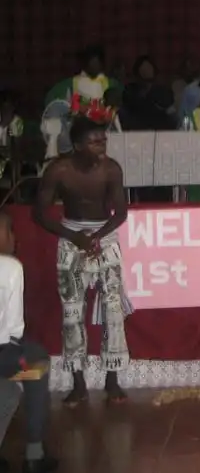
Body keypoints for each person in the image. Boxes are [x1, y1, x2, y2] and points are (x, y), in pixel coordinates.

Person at [33, 116, 132, 407]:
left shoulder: (111, 169)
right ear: (76, 145)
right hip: (70, 237)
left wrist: (97, 237)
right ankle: (78, 384)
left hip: (105, 238)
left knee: (114, 310)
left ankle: (112, 381)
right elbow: (39, 213)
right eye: (94, 141)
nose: (101, 144)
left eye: (103, 139)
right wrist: (75, 238)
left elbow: (121, 212)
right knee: (72, 313)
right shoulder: (58, 170)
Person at [0, 212, 57, 473]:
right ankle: (34, 454)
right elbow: (14, 329)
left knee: (7, 389)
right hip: (4, 354)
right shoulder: (11, 268)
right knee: (36, 361)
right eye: (11, 232)